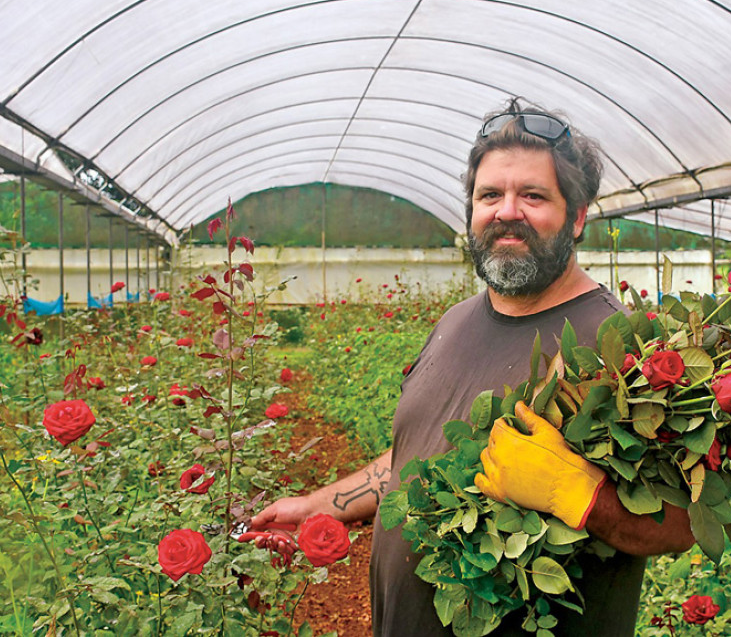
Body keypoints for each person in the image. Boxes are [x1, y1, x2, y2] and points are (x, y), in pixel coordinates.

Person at [251, 99, 695, 635]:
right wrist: (317, 506)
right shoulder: (457, 320)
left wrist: (575, 493)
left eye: (533, 195)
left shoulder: (621, 347)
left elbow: (681, 523)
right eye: (490, 195)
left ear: (577, 217)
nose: (507, 211)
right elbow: (415, 454)